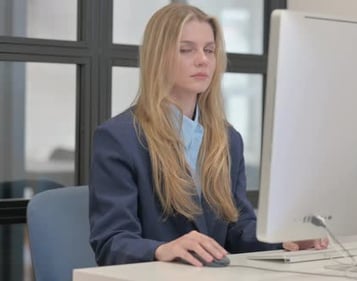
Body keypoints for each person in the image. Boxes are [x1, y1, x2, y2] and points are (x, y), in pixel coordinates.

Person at [88, 3, 328, 267]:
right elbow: (111, 242)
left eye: (209, 50)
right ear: (159, 56)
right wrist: (162, 249)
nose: (203, 59)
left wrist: (284, 238)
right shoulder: (119, 138)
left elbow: (237, 228)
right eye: (186, 49)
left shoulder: (227, 138)